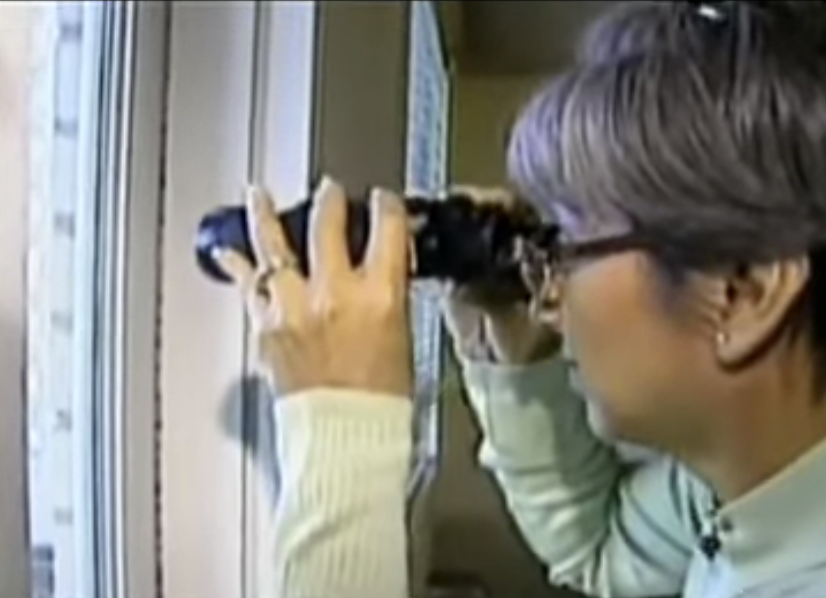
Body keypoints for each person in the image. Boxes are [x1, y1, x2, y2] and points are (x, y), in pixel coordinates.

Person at [217, 1, 826, 597]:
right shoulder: (757, 481)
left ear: (742, 291)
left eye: (570, 249)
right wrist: (516, 359)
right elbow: (603, 554)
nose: (548, 301)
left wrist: (343, 433)